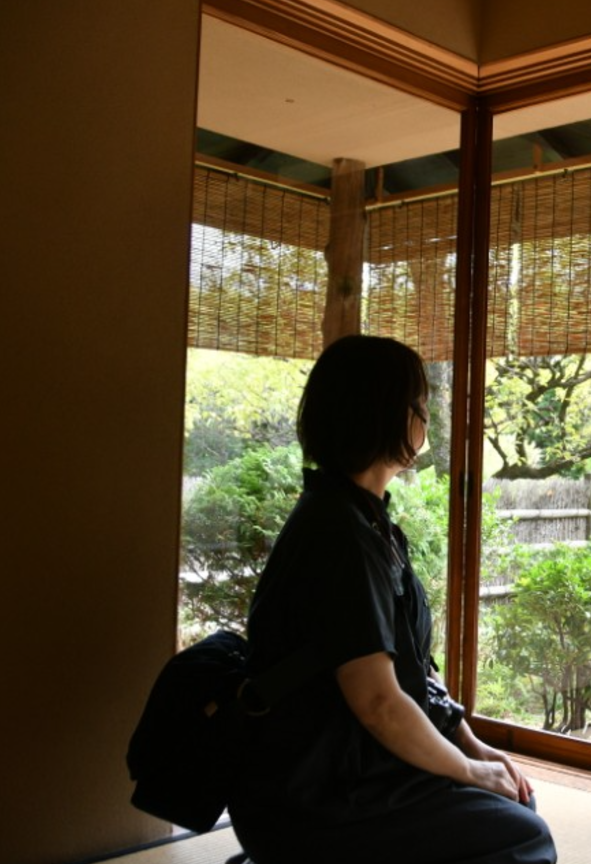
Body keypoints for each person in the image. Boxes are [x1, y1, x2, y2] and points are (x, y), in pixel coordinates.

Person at [229, 335, 557, 864]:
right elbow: (379, 703)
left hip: (353, 769)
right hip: (317, 797)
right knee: (523, 839)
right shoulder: (337, 534)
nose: (425, 418)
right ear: (386, 415)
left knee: (518, 804)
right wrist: (469, 770)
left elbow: (415, 671)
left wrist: (470, 744)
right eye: (421, 405)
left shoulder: (367, 520)